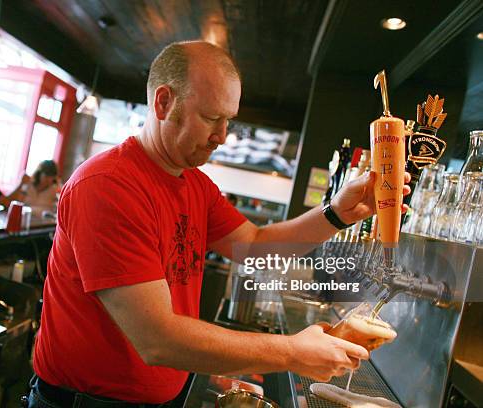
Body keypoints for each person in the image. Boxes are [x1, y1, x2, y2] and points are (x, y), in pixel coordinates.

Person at [30, 41, 411, 407]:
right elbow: (156, 338)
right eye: (212, 118)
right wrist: (292, 352)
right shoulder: (109, 186)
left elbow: (256, 245)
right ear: (163, 102)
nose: (222, 137)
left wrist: (337, 213)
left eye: (228, 120)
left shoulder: (194, 184)